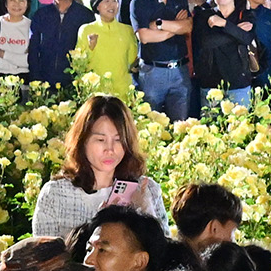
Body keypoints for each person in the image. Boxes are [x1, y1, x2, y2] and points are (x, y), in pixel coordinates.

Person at [31, 93, 172, 241]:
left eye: (118, 140)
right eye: (100, 140)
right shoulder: (56, 194)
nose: (110, 149)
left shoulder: (147, 189)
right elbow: (44, 259)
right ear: (82, 140)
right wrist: (98, 225)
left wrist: (145, 214)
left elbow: (165, 256)